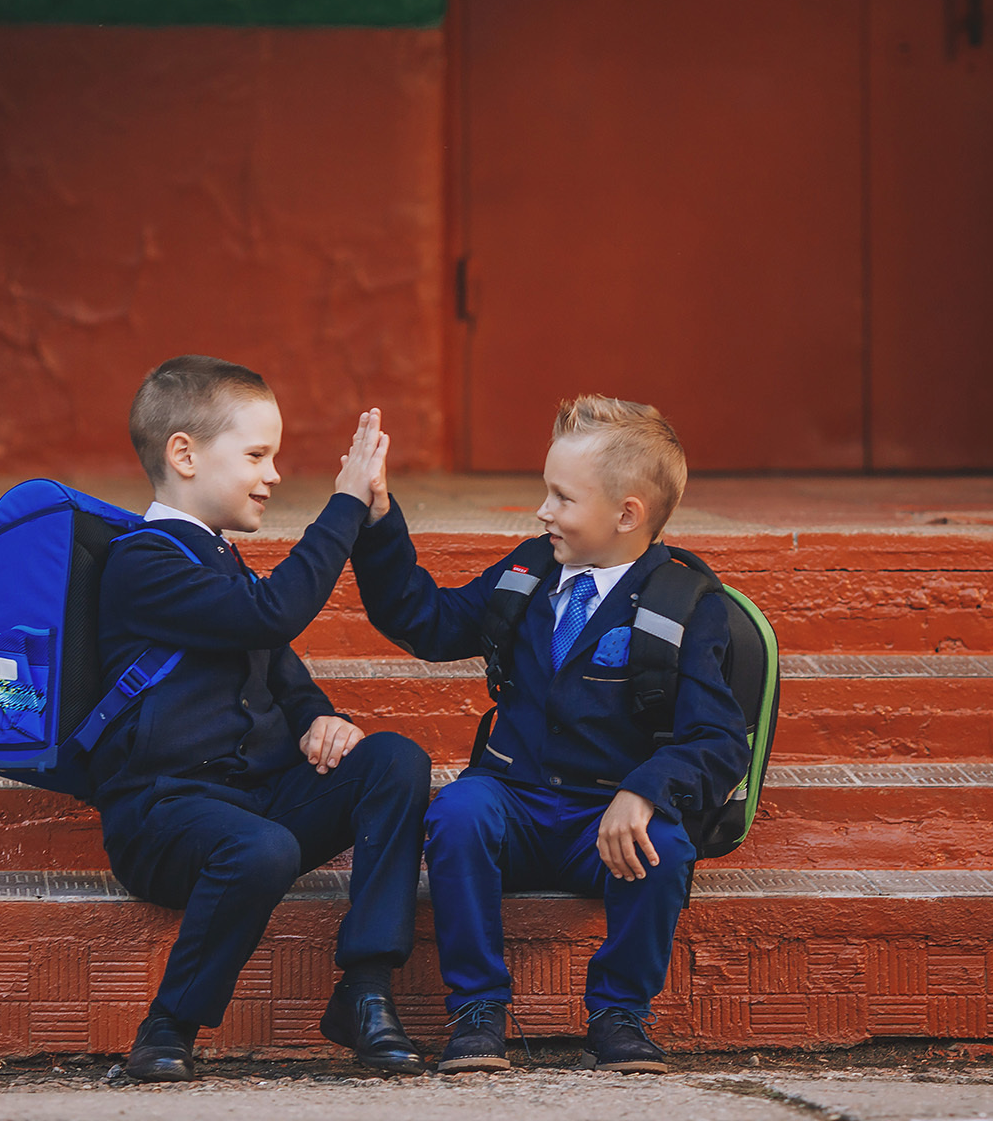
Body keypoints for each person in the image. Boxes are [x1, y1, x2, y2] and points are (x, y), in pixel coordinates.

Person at [351, 396, 748, 1073]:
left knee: (665, 846)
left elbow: (719, 740)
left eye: (562, 497)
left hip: (607, 819)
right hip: (515, 801)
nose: (543, 511)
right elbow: (427, 621)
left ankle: (619, 1012)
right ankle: (478, 1008)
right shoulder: (528, 574)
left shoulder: (686, 606)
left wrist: (645, 790)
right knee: (458, 812)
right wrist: (379, 520)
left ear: (627, 514)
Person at [92, 355, 431, 1082]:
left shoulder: (224, 563)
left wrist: (320, 720)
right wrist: (345, 504)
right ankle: (167, 1027)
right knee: (262, 847)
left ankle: (366, 989)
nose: (274, 475)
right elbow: (272, 614)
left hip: (254, 804)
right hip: (164, 818)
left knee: (394, 761)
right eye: (256, 455)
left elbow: (283, 674)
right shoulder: (143, 563)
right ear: (184, 454)